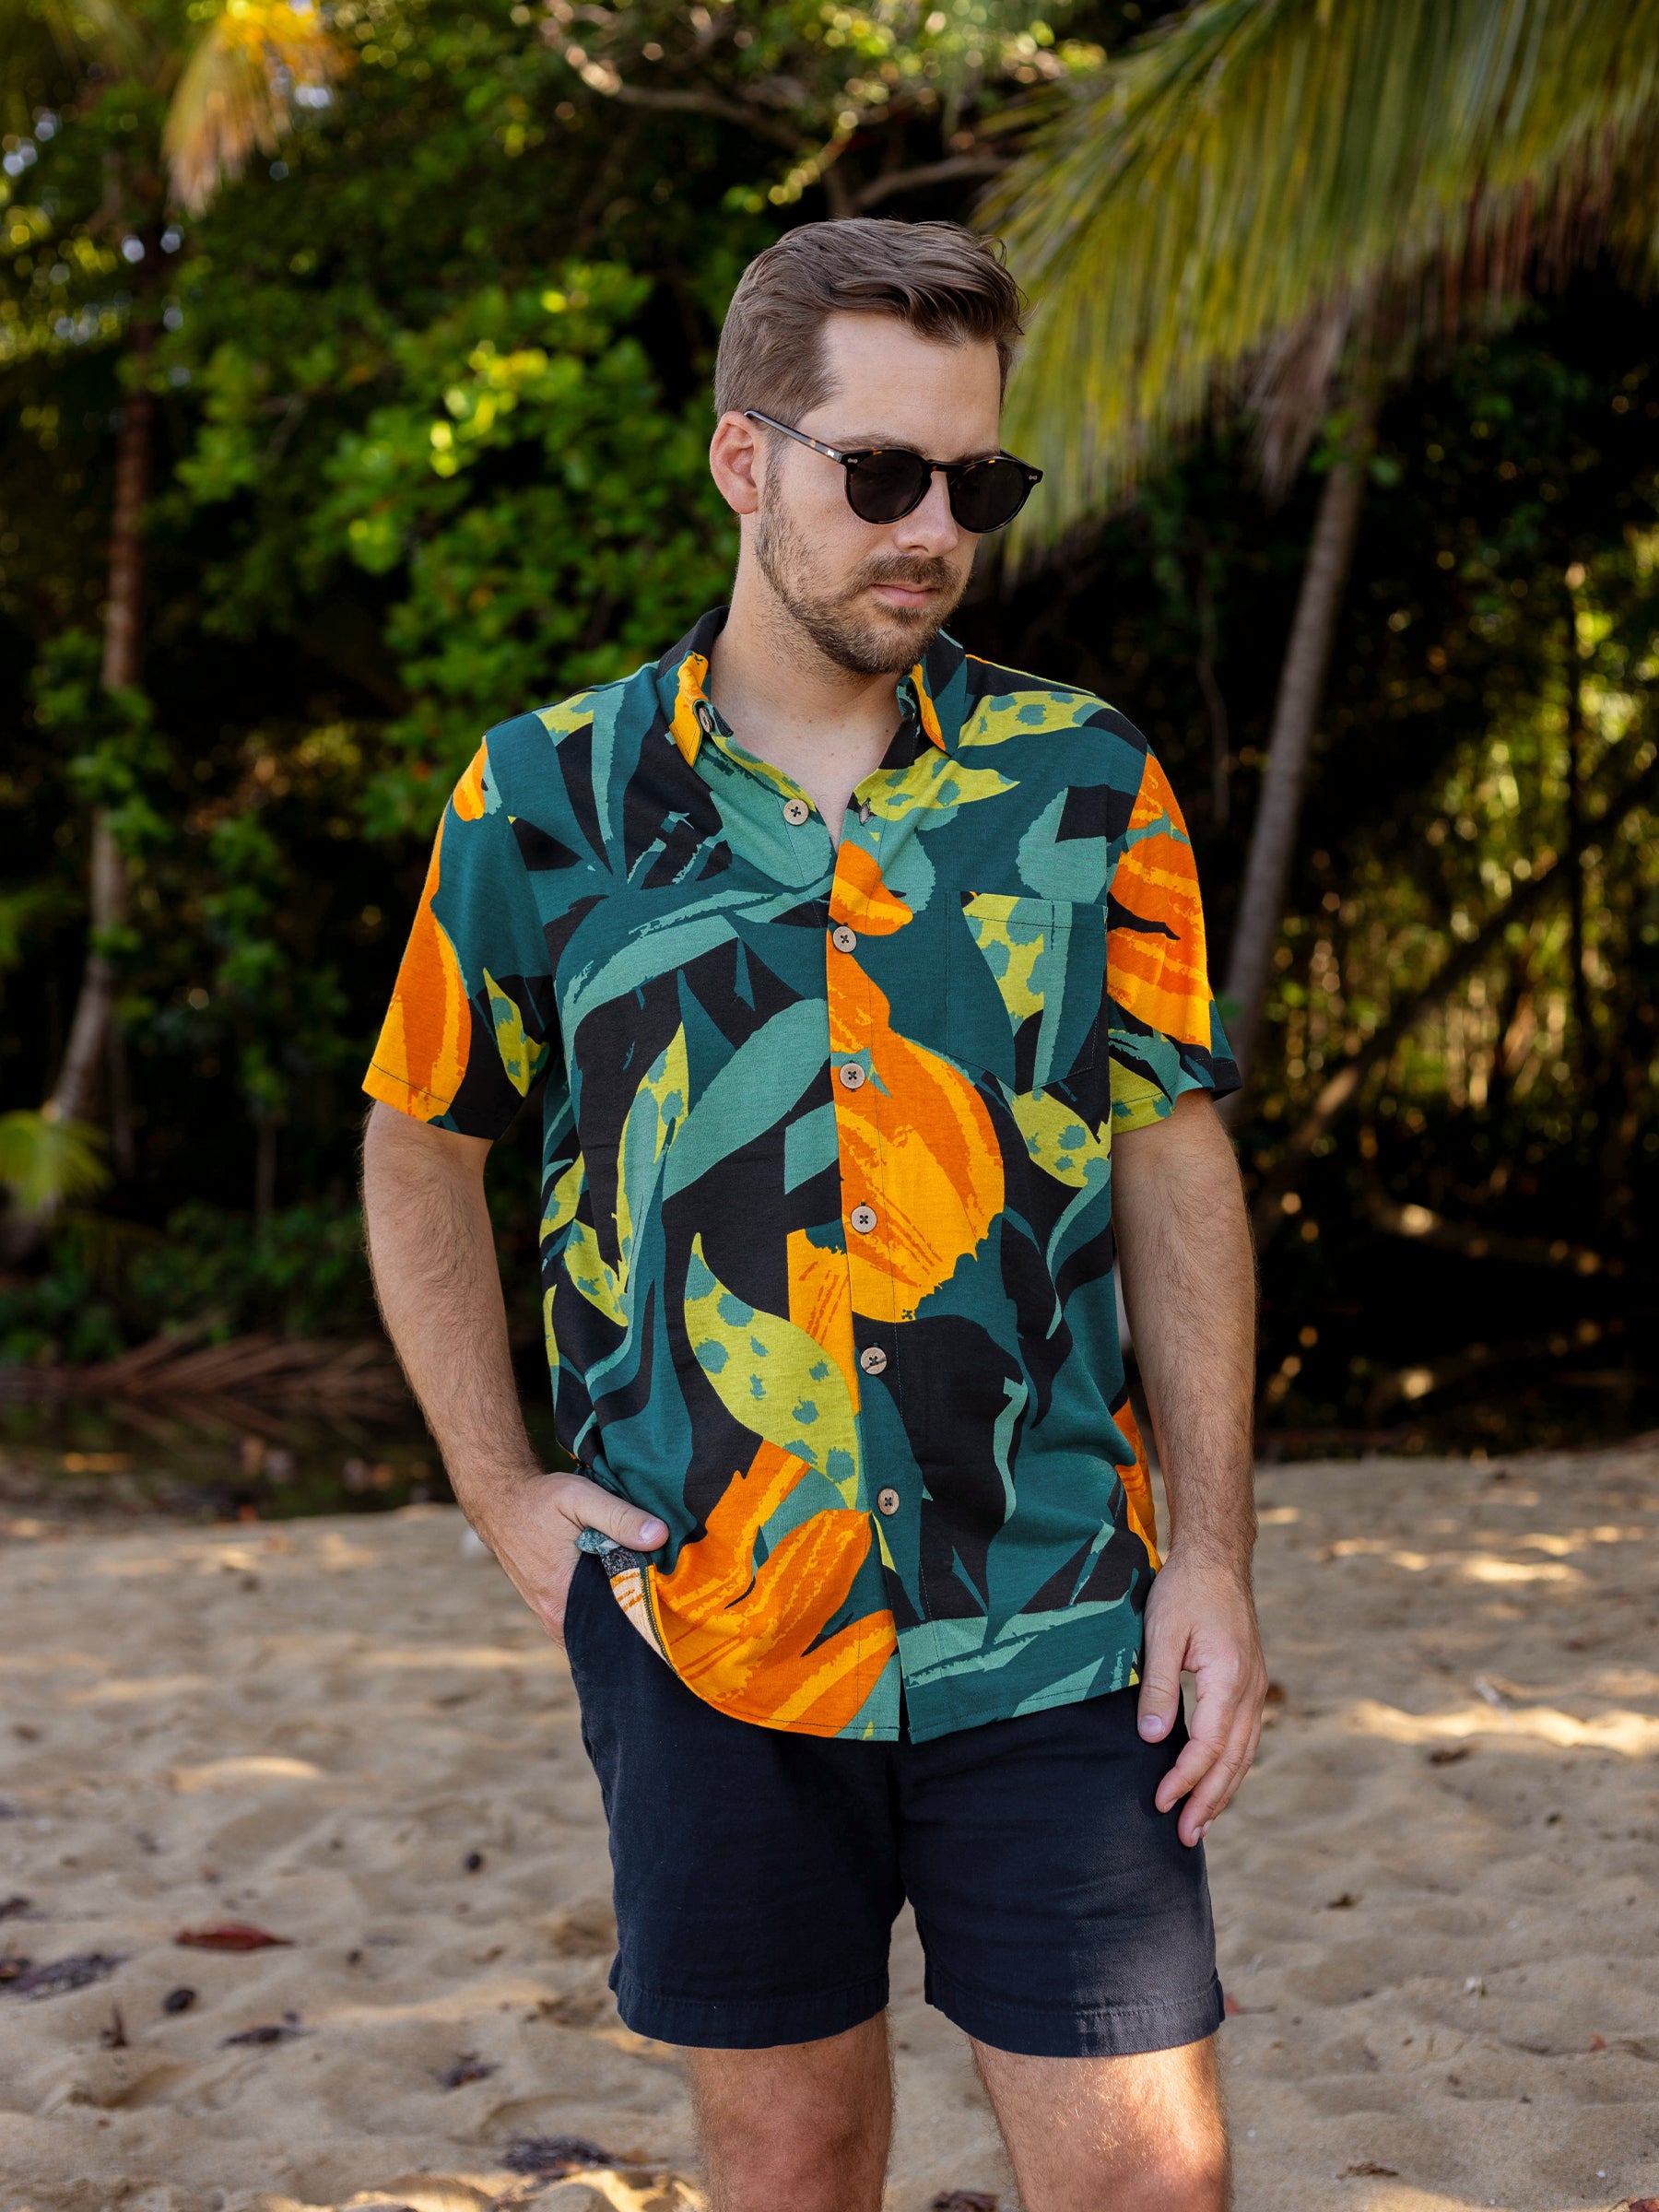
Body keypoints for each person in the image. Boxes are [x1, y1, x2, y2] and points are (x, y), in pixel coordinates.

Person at [360, 216, 1265, 2212]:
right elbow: (422, 1136)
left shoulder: (1086, 782)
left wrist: (1212, 1555)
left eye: (976, 485)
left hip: (1057, 1609)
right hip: (706, 1619)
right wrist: (500, 1491)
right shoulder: (541, 799)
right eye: (881, 474)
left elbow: (1171, 1148)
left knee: (1148, 2178)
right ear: (742, 459)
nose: (932, 531)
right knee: (791, 2166)